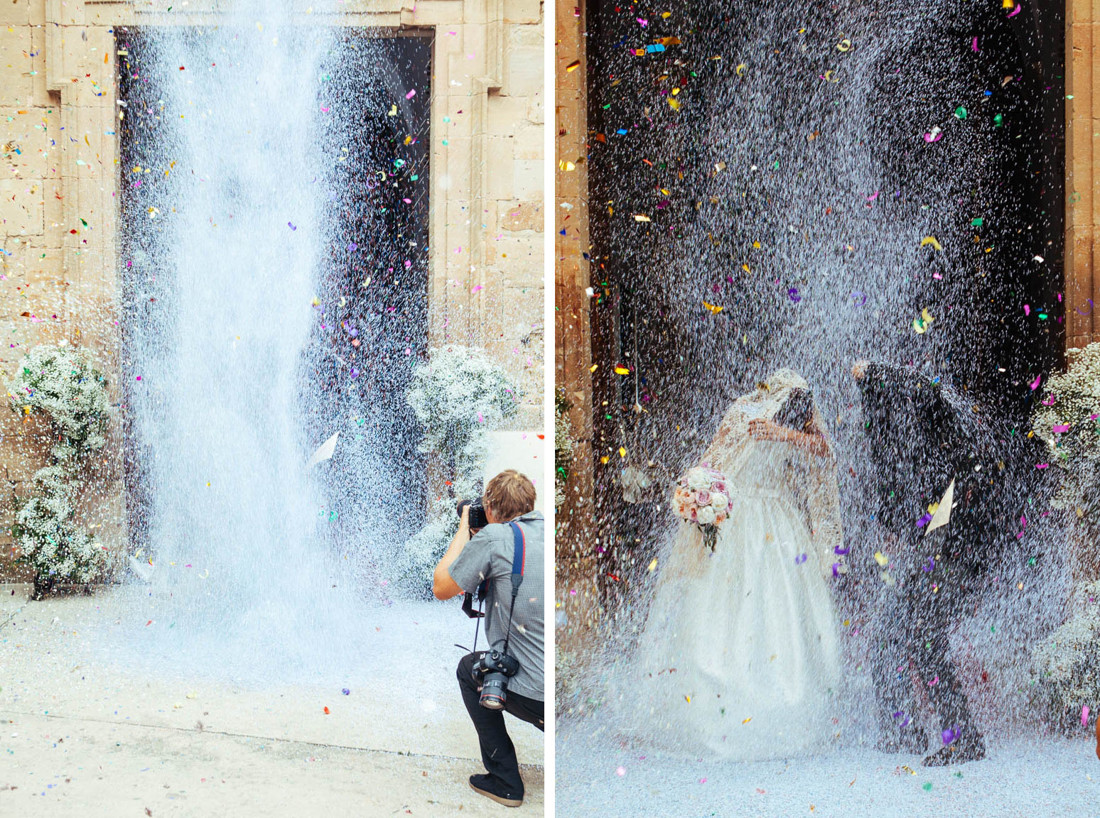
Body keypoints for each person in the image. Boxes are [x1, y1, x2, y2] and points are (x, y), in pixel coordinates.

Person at [619, 369, 844, 760]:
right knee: (717, 603)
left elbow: (827, 452)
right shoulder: (742, 411)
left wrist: (782, 434)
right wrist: (697, 492)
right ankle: (702, 707)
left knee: (778, 606)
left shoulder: (798, 422)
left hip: (777, 521)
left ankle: (786, 701)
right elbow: (715, 458)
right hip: (736, 518)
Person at [851, 359, 990, 766]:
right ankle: (903, 730)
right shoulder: (932, 457)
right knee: (886, 639)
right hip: (930, 560)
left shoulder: (960, 456)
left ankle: (963, 738)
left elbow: (924, 391)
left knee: (926, 643)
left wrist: (873, 373)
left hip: (950, 564)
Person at [433, 470, 545, 808]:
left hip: (534, 694)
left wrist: (464, 527)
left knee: (469, 670)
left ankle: (505, 782)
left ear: (491, 509)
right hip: (557, 697)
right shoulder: (544, 531)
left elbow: (441, 586)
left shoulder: (495, 537)